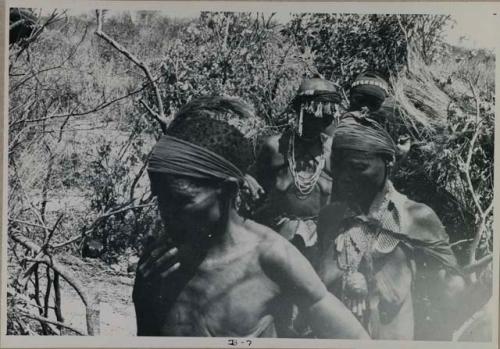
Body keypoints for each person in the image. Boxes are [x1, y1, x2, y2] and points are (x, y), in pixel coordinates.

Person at [132, 96, 369, 339]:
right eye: (159, 198)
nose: (166, 213)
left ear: (227, 191)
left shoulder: (271, 258)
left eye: (182, 200)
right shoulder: (160, 263)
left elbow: (354, 340)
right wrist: (144, 297)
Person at [316, 113, 465, 339]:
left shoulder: (417, 218)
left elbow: (450, 290)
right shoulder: (330, 217)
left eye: (359, 167)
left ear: (389, 163)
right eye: (340, 168)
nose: (346, 176)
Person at [253, 77, 342, 265]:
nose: (318, 122)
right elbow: (253, 193)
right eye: (312, 113)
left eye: (325, 116)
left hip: (323, 243)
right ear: (298, 111)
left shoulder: (335, 152)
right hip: (276, 240)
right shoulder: (274, 147)